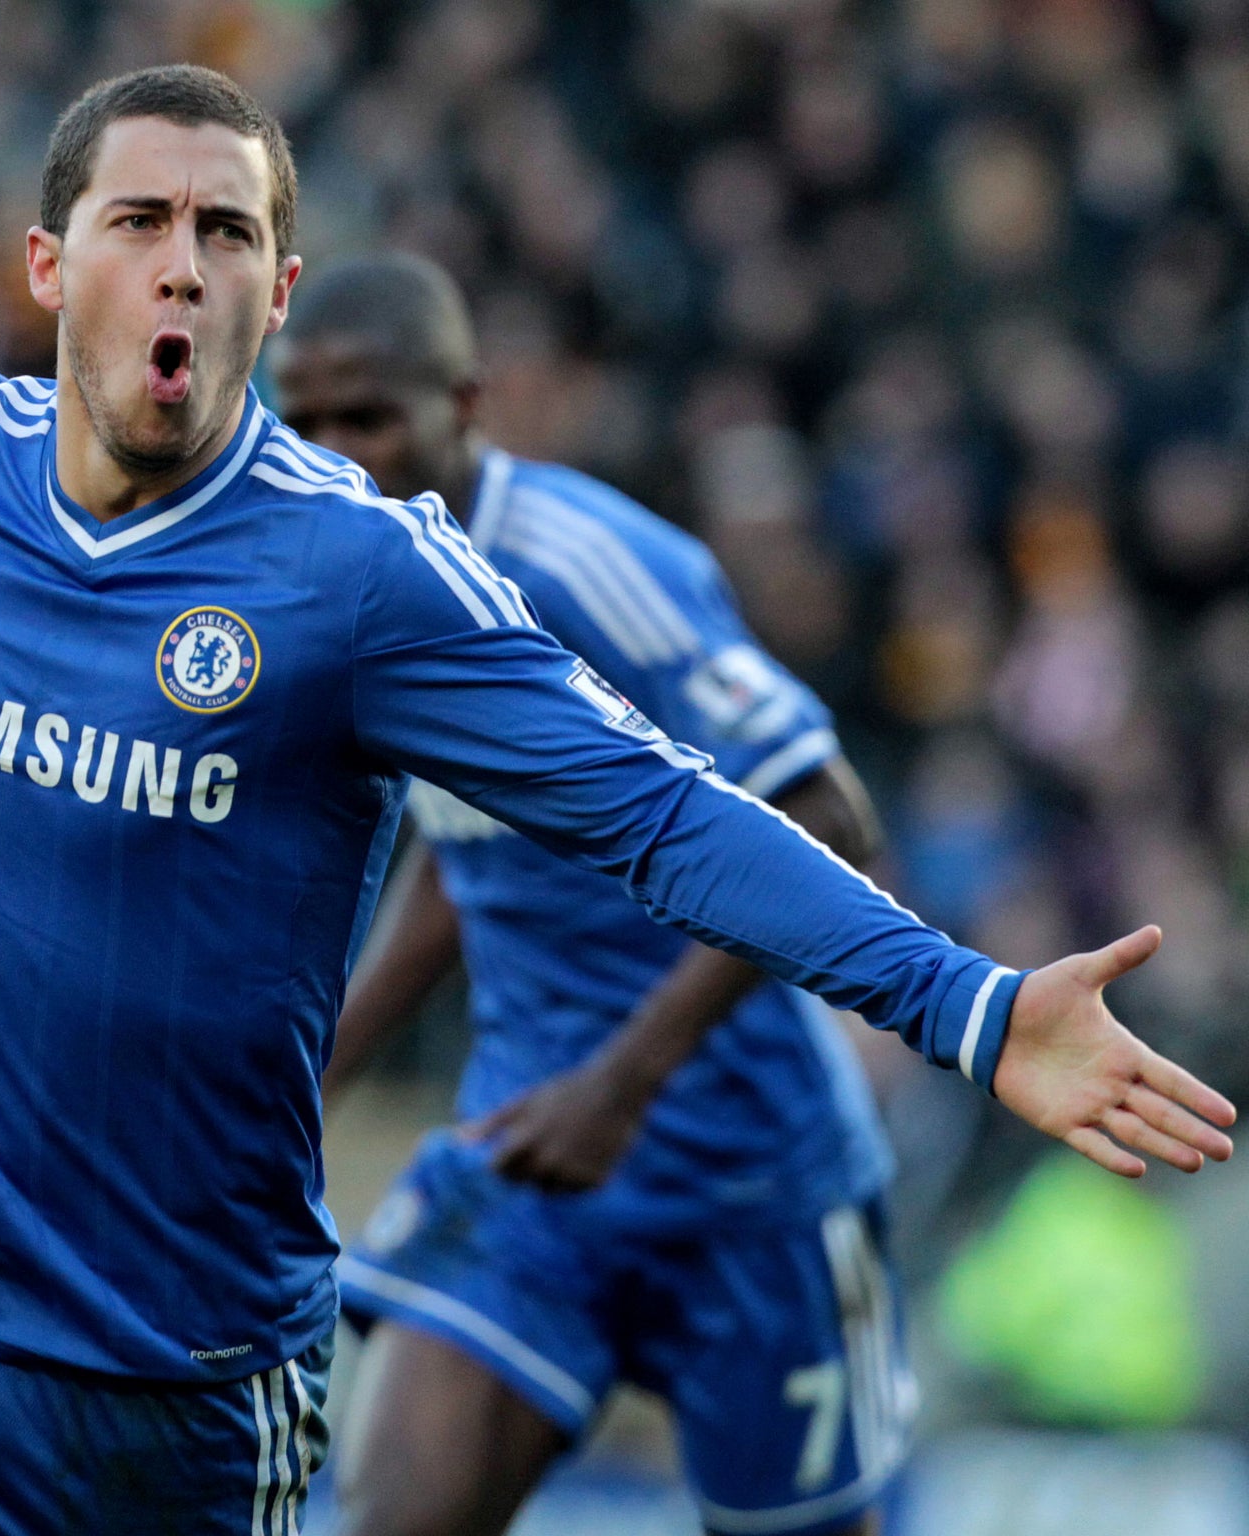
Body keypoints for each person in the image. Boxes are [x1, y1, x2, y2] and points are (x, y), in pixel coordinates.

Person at [0, 65, 1231, 1536]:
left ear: (277, 285)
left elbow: (668, 811)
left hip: (154, 1367)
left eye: (227, 233)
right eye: (143, 221)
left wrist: (967, 1007)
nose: (183, 263)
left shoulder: (362, 582)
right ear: (49, 266)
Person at [272, 251, 932, 1536]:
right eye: (301, 423)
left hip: (753, 1185)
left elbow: (826, 818)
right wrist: (308, 1076)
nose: (335, 456)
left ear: (462, 406)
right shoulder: (351, 589)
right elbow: (471, 858)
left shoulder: (590, 571)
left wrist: (621, 1085)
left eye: (369, 419)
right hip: (529, 1160)